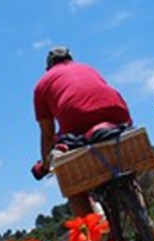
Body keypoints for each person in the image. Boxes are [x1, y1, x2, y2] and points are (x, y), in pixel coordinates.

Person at [33, 46, 134, 217]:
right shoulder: (88, 68)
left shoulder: (42, 84)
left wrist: (45, 164)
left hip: (76, 120)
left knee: (70, 180)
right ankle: (142, 213)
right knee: (130, 174)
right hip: (118, 112)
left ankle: (93, 237)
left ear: (48, 67)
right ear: (71, 59)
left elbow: (47, 134)